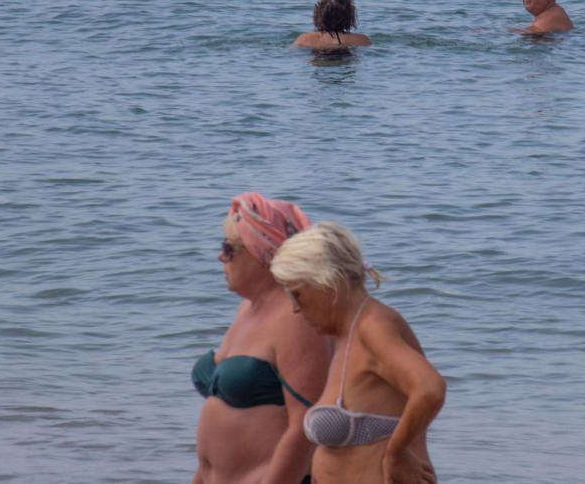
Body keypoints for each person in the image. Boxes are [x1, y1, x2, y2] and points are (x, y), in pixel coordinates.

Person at [270, 223, 445, 484]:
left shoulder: (372, 327)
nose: (295, 308)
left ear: (327, 283)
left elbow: (429, 388)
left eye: (297, 294)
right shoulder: (347, 336)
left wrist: (396, 455)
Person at [191, 192, 332, 484]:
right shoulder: (247, 309)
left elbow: (305, 429)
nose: (220, 256)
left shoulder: (297, 319)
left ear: (261, 252)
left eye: (228, 248)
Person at [294, 0, 372, 48]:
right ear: (349, 16)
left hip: (320, 62)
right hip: (345, 63)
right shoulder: (361, 40)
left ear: (318, 14)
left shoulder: (304, 39)